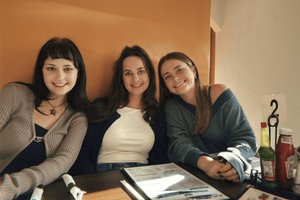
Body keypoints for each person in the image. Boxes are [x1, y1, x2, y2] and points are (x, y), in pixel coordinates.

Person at [0, 37, 89, 199]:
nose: (60, 77)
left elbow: (60, 164)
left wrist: (9, 187)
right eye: (51, 68)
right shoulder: (14, 94)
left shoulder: (77, 119)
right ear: (41, 70)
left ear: (78, 72)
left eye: (68, 69)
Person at [158, 52, 257, 182]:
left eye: (179, 70)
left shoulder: (220, 93)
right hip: (199, 174)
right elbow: (178, 144)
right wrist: (206, 164)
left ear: (193, 70)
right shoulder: (172, 106)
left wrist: (234, 160)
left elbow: (245, 138)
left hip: (233, 171)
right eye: (167, 77)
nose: (175, 78)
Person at [69, 45, 169, 175]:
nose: (136, 79)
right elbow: (83, 154)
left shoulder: (158, 114)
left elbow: (161, 159)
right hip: (102, 175)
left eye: (141, 71)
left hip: (143, 177)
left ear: (149, 73)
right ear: (121, 77)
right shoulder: (101, 107)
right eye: (128, 73)